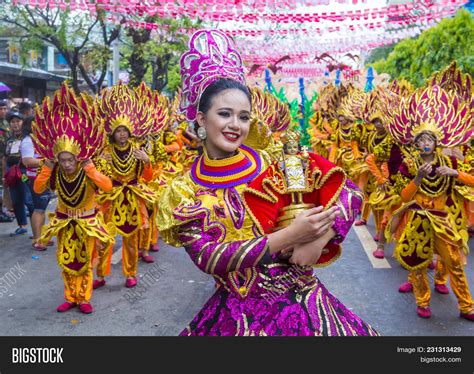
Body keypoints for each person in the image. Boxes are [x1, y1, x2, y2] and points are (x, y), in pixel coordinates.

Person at [157, 29, 379, 336]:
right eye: (224, 114)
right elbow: (209, 258)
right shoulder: (184, 189)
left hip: (304, 311)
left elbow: (350, 193)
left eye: (244, 117)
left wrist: (319, 237)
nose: (235, 125)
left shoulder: (279, 163)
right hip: (236, 316)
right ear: (200, 118)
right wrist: (290, 235)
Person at [386, 84, 474, 321]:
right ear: (415, 143)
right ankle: (422, 302)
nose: (426, 143)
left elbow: (472, 183)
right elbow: (403, 197)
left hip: (443, 220)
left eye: (430, 139)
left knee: (454, 263)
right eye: (421, 139)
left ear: (436, 142)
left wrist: (456, 175)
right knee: (417, 265)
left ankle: (467, 306)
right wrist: (417, 179)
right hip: (418, 219)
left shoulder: (449, 162)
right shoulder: (410, 164)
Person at [32, 83, 114, 314]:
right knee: (67, 260)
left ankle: (84, 297)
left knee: (85, 260)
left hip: (87, 222)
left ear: (78, 157)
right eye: (63, 160)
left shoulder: (87, 167)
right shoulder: (54, 169)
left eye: (70, 160)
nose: (67, 164)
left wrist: (91, 170)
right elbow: (38, 189)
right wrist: (47, 168)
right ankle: (70, 296)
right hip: (63, 222)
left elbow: (107, 186)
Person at [93, 82, 157, 289]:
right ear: (112, 132)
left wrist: (147, 161)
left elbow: (147, 177)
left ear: (130, 131)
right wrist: (101, 162)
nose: (121, 134)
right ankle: (100, 275)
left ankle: (130, 273)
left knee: (131, 239)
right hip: (111, 199)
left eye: (124, 130)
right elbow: (99, 178)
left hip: (131, 198)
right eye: (118, 130)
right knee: (105, 238)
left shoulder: (138, 150)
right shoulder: (106, 151)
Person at [20, 116, 53, 250]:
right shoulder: (28, 141)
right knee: (38, 209)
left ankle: (41, 237)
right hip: (35, 179)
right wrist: (45, 162)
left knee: (42, 208)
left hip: (43, 178)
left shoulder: (39, 140)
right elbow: (27, 161)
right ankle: (37, 240)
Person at [3, 111, 33, 236]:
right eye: (13, 122)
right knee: (16, 200)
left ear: (23, 123)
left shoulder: (28, 138)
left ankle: (36, 229)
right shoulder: (9, 139)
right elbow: (5, 157)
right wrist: (4, 175)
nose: (15, 124)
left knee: (29, 199)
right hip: (11, 173)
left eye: (18, 121)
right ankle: (22, 226)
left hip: (24, 172)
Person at [0, 99, 14, 222]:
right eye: (1, 109)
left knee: (4, 185)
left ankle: (5, 209)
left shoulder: (6, 123)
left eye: (5, 108)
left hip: (5, 158)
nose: (3, 111)